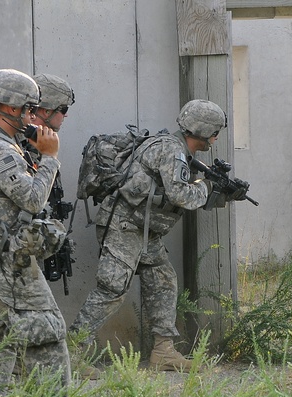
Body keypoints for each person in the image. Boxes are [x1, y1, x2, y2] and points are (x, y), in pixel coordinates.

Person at [68, 99, 226, 372]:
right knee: (112, 290)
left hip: (142, 231)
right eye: (215, 132)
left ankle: (163, 351)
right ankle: (71, 353)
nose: (215, 138)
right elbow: (181, 196)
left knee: (163, 280)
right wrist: (208, 188)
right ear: (202, 131)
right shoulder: (171, 150)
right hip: (124, 227)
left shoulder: (174, 149)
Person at [0, 68, 70, 389]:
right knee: (46, 333)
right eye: (29, 109)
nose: (34, 116)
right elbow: (33, 200)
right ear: (10, 108)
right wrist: (50, 157)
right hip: (8, 262)